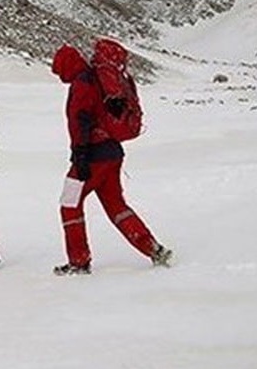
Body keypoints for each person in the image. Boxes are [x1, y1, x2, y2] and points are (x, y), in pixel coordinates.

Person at [50, 43, 172, 275]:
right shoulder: (96, 79)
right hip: (112, 154)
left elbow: (80, 121)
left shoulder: (82, 83)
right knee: (117, 206)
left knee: (69, 204)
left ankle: (79, 261)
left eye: (59, 71)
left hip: (92, 156)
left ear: (66, 66)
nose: (59, 76)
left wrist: (80, 156)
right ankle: (153, 248)